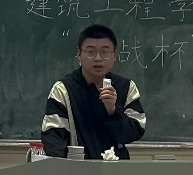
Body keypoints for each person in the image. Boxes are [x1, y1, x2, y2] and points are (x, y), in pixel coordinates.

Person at [40, 23, 146, 160]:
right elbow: (53, 138)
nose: (98, 58)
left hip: (116, 168)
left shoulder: (126, 87)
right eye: (91, 52)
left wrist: (113, 111)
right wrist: (61, 169)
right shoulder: (63, 89)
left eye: (105, 52)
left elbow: (133, 133)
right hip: (76, 167)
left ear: (114, 55)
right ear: (79, 54)